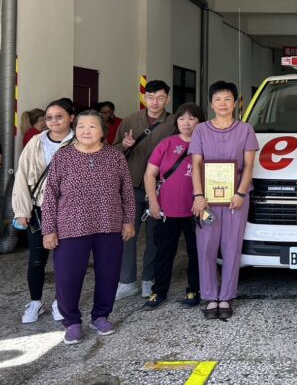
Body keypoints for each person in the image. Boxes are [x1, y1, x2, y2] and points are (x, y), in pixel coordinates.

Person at [42, 109, 136, 345]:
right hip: (71, 226)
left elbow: (126, 191)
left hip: (109, 224)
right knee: (67, 276)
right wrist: (48, 229)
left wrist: (128, 221)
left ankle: (100, 316)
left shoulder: (115, 157)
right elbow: (50, 195)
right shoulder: (63, 157)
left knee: (109, 274)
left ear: (103, 131)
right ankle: (72, 322)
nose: (86, 131)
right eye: (82, 126)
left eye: (92, 126)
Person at [190, 81, 259, 320]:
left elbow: (249, 164)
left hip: (235, 199)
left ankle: (227, 295)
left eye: (227, 99)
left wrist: (241, 193)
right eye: (218, 99)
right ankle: (210, 296)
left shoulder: (246, 130)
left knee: (232, 247)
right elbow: (196, 164)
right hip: (207, 200)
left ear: (236, 103)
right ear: (211, 103)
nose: (223, 104)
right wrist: (198, 196)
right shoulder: (200, 130)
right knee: (206, 247)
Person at [12, 99, 75, 323]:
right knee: (37, 259)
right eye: (49, 117)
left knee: (65, 259)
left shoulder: (79, 141)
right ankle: (36, 303)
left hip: (70, 209)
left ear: (71, 118)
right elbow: (21, 176)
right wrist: (21, 210)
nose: (54, 121)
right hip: (39, 208)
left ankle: (61, 302)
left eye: (59, 116)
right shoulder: (36, 142)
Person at [113, 80, 175, 300]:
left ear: (167, 98)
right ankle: (127, 281)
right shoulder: (130, 120)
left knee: (155, 236)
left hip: (162, 187)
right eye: (150, 97)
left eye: (159, 97)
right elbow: (113, 151)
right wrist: (125, 146)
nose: (154, 102)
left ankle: (149, 279)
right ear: (144, 97)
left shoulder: (174, 122)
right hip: (131, 185)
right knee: (127, 234)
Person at [143, 103, 205, 310]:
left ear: (200, 121)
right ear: (176, 122)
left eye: (192, 118)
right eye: (181, 118)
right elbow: (150, 175)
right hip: (167, 209)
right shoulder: (166, 144)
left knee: (196, 252)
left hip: (196, 210)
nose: (186, 123)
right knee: (164, 252)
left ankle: (194, 289)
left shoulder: (207, 144)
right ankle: (158, 291)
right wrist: (153, 201)